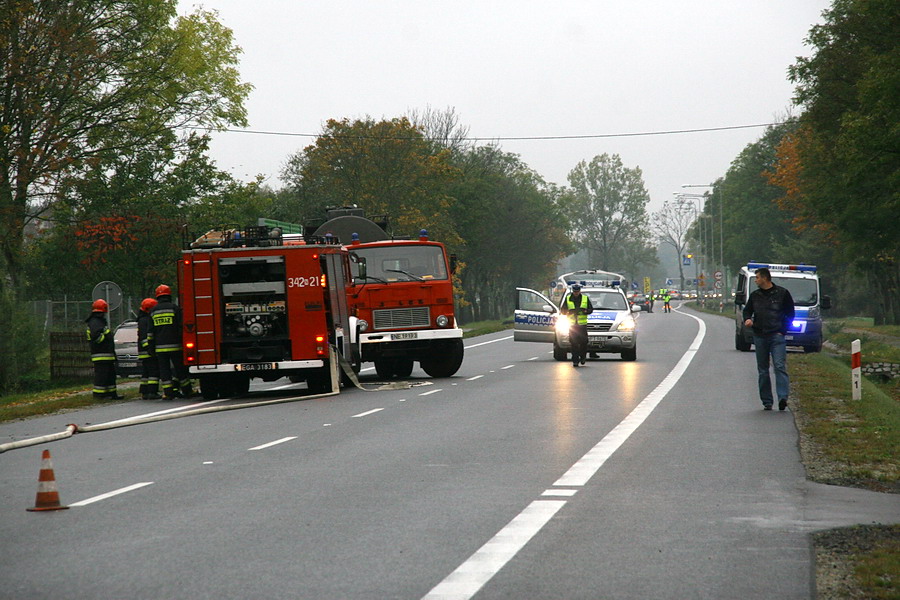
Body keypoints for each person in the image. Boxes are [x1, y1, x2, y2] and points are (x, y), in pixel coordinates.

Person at [742, 267, 796, 411]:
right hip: (760, 336)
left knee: (779, 366)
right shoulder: (755, 296)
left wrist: (782, 330)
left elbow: (790, 313)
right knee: (763, 370)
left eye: (757, 277)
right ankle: (767, 401)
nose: (756, 280)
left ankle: (783, 397)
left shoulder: (782, 294)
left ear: (765, 278)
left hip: (776, 336)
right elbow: (747, 310)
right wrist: (747, 319)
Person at [151, 284, 195, 399]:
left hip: (160, 347)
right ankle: (187, 390)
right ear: (169, 295)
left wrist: (151, 348)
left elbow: (150, 332)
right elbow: (181, 327)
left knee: (164, 371)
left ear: (157, 297)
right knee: (180, 369)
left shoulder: (153, 311)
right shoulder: (174, 308)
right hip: (175, 346)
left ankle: (168, 393)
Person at [85, 299, 123, 400]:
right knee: (102, 376)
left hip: (106, 354)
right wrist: (106, 335)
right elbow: (96, 338)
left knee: (110, 375)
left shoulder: (98, 321)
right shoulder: (95, 322)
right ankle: (99, 395)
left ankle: (111, 394)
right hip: (101, 354)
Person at [560, 284, 594, 367]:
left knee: (584, 342)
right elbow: (563, 310)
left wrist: (585, 311)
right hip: (572, 325)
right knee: (573, 343)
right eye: (575, 292)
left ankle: (583, 357)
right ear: (573, 291)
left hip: (582, 325)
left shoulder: (585, 298)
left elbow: (591, 309)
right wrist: (568, 312)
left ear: (580, 291)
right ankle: (575, 360)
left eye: (577, 291)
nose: (576, 293)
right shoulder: (568, 299)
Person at [138, 297, 161, 400]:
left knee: (146, 372)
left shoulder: (142, 319)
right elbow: (144, 337)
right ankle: (152, 392)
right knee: (153, 372)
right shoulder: (145, 320)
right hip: (147, 351)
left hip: (144, 351)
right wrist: (150, 348)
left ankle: (144, 391)